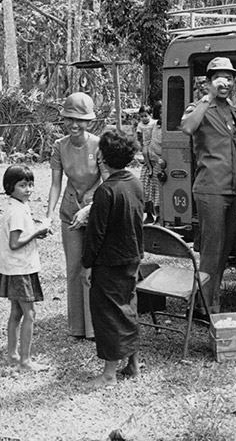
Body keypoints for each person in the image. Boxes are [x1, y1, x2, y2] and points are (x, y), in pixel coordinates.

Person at [180, 57, 236, 315]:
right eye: (220, 77)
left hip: (231, 189)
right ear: (209, 81)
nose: (226, 82)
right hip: (210, 189)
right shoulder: (199, 108)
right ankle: (203, 307)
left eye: (230, 78)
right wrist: (207, 98)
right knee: (211, 249)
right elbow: (187, 127)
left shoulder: (234, 113)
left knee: (224, 249)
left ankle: (211, 301)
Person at [81, 129, 143, 388]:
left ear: (102, 157)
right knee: (127, 308)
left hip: (109, 262)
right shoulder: (133, 182)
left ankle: (109, 374)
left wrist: (86, 265)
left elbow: (95, 235)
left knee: (108, 315)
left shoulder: (105, 192)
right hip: (132, 257)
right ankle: (134, 364)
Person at [46, 92, 107, 340]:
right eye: (69, 118)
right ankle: (77, 328)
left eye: (80, 120)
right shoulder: (60, 146)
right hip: (70, 212)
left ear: (89, 122)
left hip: (95, 211)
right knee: (73, 268)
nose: (74, 125)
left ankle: (94, 328)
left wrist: (90, 208)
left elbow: (109, 182)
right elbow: (55, 185)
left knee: (92, 267)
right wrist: (48, 215)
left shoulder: (99, 145)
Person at [0, 164, 51, 371]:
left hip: (16, 268)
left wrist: (36, 231)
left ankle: (13, 355)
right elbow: (15, 243)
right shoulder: (17, 211)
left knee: (16, 312)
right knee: (30, 314)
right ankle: (25, 361)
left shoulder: (18, 206)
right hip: (20, 269)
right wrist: (37, 232)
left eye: (30, 185)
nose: (28, 189)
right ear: (10, 187)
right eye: (22, 185)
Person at [136, 104, 160, 224]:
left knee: (157, 190)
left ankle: (159, 216)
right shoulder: (142, 126)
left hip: (157, 162)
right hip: (148, 158)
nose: (144, 118)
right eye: (142, 116)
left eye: (146, 116)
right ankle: (149, 214)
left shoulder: (155, 125)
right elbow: (139, 137)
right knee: (144, 187)